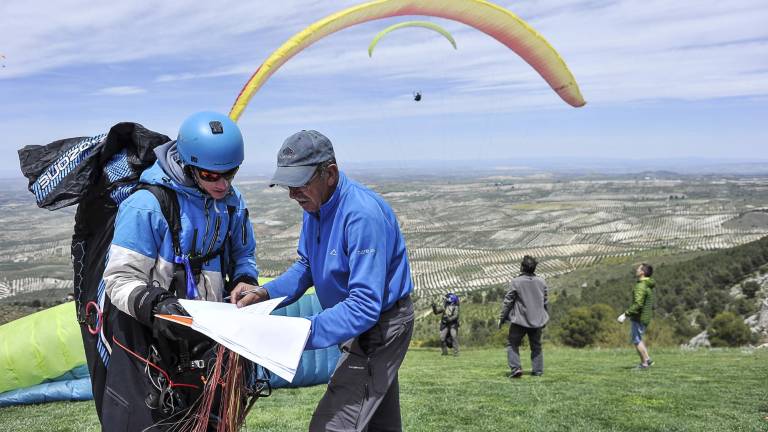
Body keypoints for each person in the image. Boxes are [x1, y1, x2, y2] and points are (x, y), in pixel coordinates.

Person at [231, 129, 414, 432]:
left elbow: (364, 306)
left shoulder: (361, 215)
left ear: (329, 174)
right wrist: (263, 293)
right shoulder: (315, 207)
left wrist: (299, 333)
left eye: (299, 183)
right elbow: (306, 267)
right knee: (378, 422)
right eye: (287, 185)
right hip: (361, 324)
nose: (292, 194)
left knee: (331, 425)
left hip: (379, 328)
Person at [101, 111, 259, 430]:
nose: (223, 183)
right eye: (211, 175)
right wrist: (157, 305)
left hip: (207, 337)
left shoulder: (230, 203)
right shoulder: (145, 206)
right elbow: (118, 279)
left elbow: (243, 254)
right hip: (150, 343)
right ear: (187, 164)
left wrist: (245, 279)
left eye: (230, 173)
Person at [498, 255, 548, 378]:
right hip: (537, 321)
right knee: (536, 346)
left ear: (522, 267)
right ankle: (538, 371)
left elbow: (508, 302)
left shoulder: (516, 282)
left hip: (519, 321)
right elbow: (545, 302)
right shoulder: (542, 281)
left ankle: (516, 369)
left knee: (512, 344)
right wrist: (544, 318)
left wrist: (502, 318)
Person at [617, 263, 656, 369]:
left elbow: (638, 304)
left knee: (636, 340)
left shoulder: (641, 286)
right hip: (644, 316)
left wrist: (625, 314)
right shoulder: (647, 284)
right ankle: (648, 360)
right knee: (638, 338)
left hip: (639, 317)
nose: (636, 270)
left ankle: (644, 364)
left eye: (638, 269)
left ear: (642, 272)